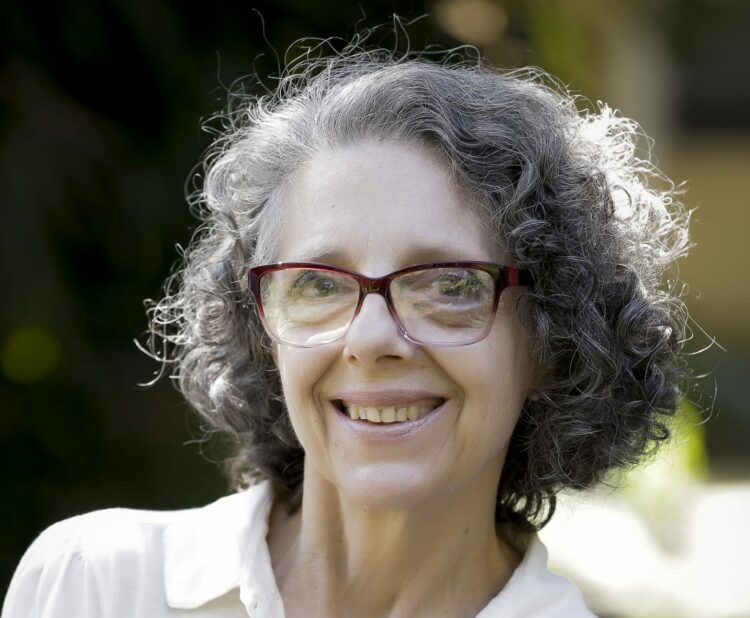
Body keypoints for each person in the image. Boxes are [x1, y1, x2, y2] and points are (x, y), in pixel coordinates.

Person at [3, 33, 690, 618]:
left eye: (449, 286)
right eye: (317, 285)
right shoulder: (92, 586)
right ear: (262, 331)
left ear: (553, 337)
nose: (369, 340)